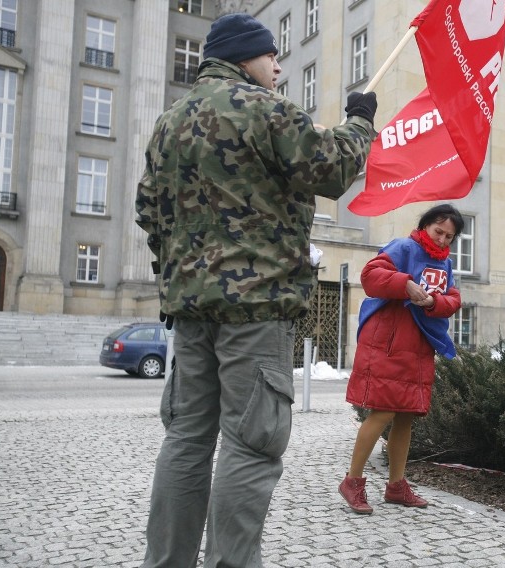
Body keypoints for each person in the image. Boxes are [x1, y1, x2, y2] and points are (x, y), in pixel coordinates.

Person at [135, 13, 377, 568]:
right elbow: (330, 167)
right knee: (251, 444)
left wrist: (183, 272)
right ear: (247, 57)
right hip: (256, 310)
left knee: (186, 441)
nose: (278, 66)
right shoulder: (262, 108)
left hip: (191, 313)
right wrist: (360, 120)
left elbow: (148, 210)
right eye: (272, 57)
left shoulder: (168, 122)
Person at [339, 204, 464, 514]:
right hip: (388, 344)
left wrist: (434, 300)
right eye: (439, 232)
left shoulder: (445, 264)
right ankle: (352, 481)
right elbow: (370, 275)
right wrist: (403, 283)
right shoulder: (404, 246)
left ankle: (396, 486)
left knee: (406, 416)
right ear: (425, 226)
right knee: (382, 413)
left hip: (419, 347)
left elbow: (453, 299)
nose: (443, 240)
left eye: (450, 236)